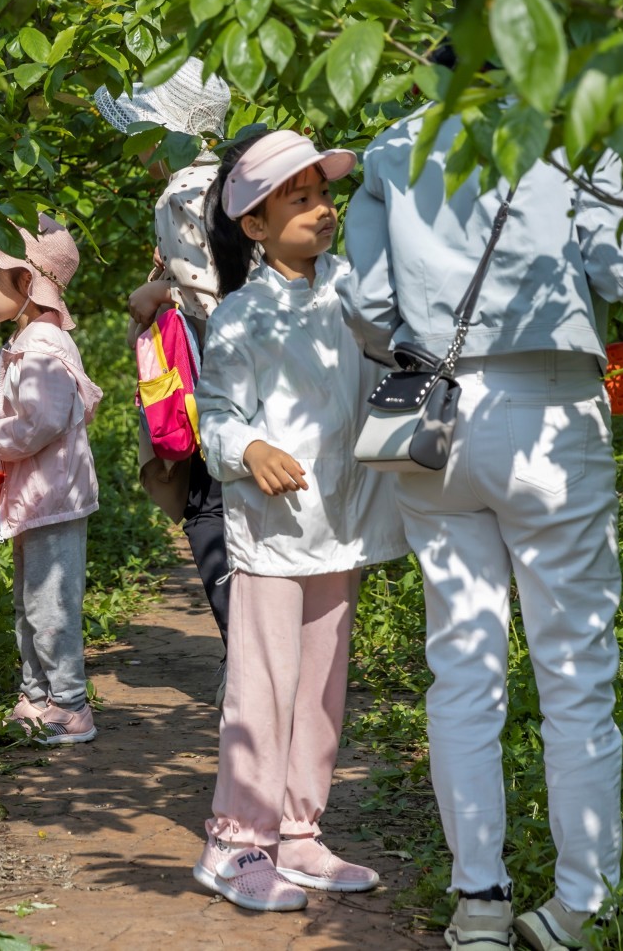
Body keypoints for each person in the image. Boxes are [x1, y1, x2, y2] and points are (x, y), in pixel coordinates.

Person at [341, 109, 623, 950]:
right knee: (574, 670)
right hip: (550, 410)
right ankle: (578, 906)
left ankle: (480, 902)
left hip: (434, 420)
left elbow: (367, 300)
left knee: (461, 667)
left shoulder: (391, 146)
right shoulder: (571, 129)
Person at [190, 129, 408, 912]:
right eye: (300, 197)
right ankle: (235, 844)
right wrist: (248, 448)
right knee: (264, 687)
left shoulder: (355, 291)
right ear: (254, 224)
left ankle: (298, 831)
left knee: (321, 685)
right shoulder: (243, 317)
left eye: (324, 195)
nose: (322, 211)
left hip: (342, 520)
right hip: (273, 529)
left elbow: (399, 352)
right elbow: (212, 414)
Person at [95, 57, 236, 646]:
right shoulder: (233, 181)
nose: (139, 151)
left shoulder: (180, 193)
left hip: (214, 381)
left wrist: (158, 292)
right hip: (263, 376)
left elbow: (211, 295)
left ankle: (246, 652)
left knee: (209, 510)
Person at [0, 216, 103, 745]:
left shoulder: (41, 344)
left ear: (25, 283)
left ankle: (70, 706)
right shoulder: (27, 341)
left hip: (53, 497)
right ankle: (36, 698)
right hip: (35, 498)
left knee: (51, 606)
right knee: (31, 603)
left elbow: (39, 422)